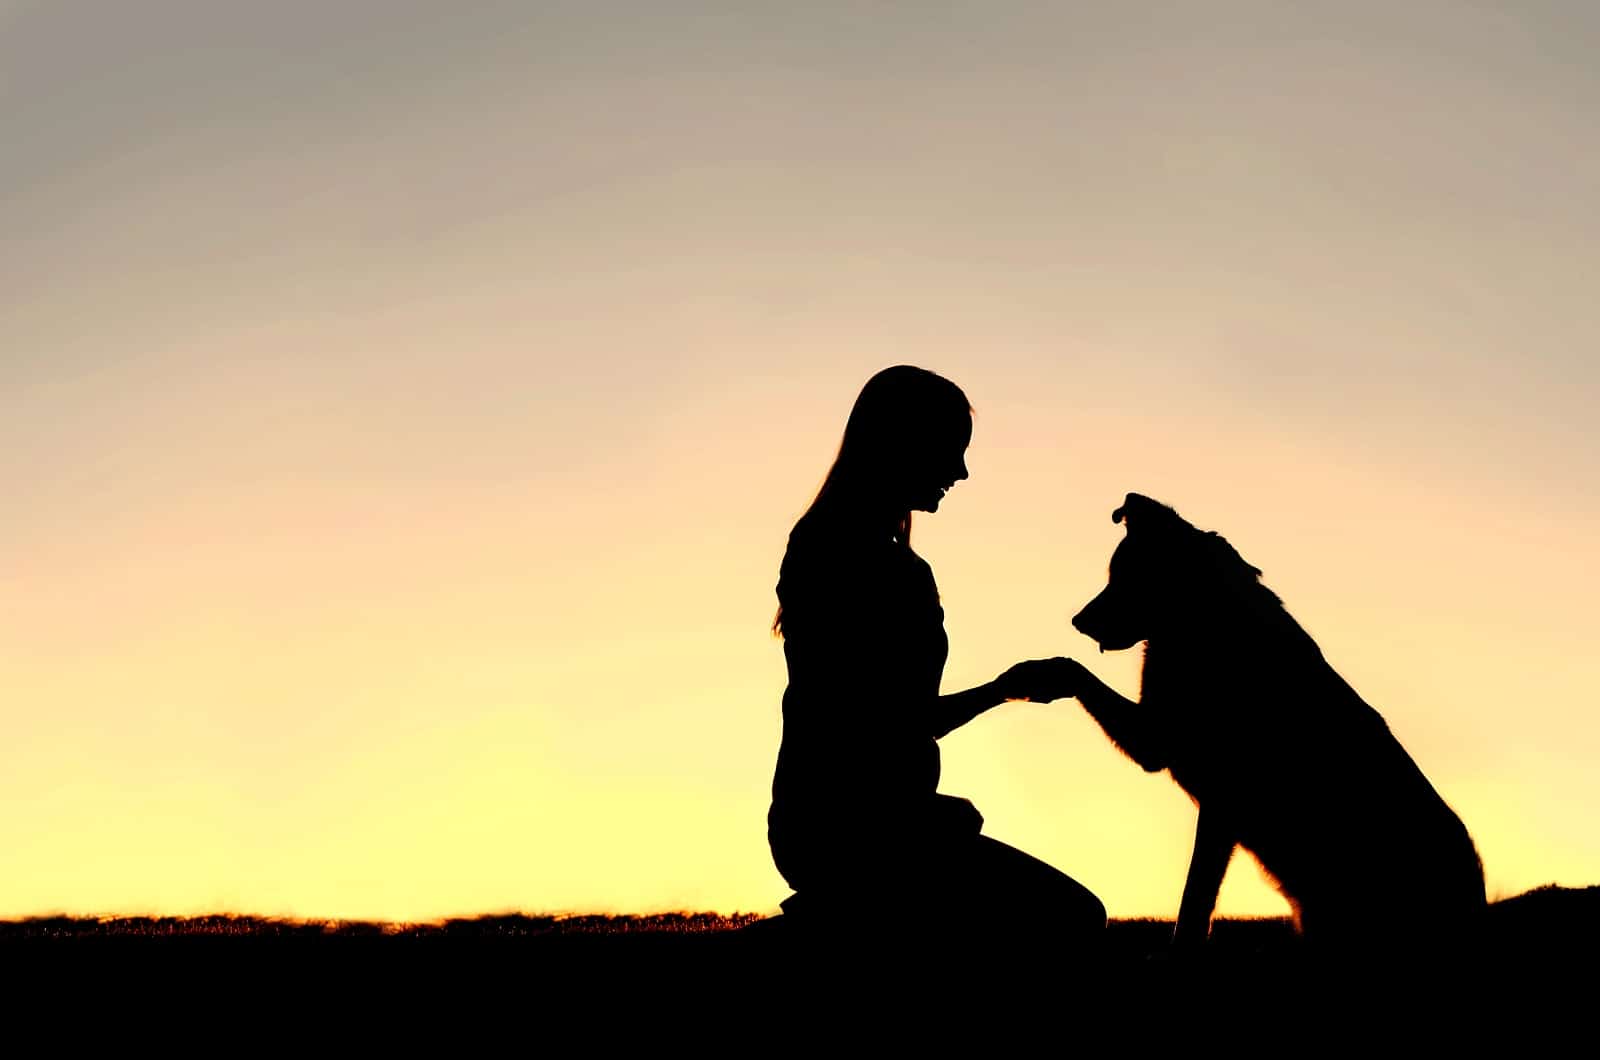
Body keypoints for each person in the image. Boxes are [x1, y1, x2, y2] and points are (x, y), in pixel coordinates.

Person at [767, 365, 1105, 950]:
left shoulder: (819, 542)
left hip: (818, 827)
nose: (961, 470)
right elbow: (885, 720)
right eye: (952, 450)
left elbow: (872, 716)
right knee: (1070, 919)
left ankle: (834, 918)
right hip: (862, 836)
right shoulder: (882, 567)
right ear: (903, 444)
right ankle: (818, 927)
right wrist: (1002, 691)